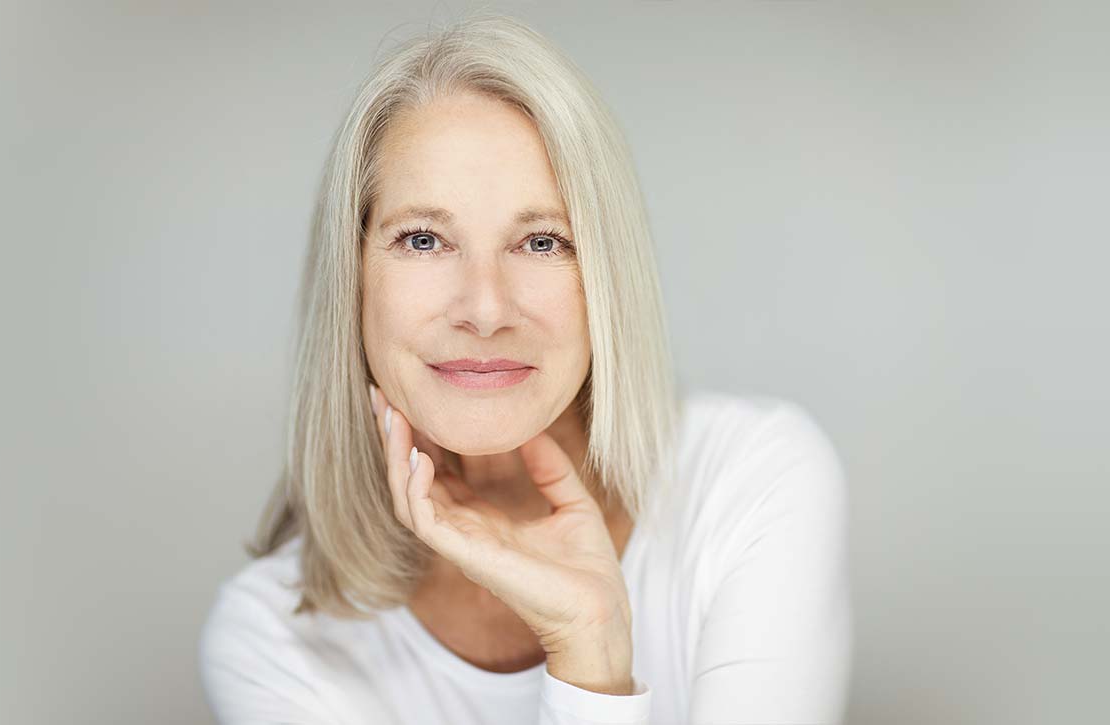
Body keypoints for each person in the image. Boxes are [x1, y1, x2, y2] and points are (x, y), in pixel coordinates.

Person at [199, 12, 851, 724]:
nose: (485, 308)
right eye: (423, 238)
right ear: (352, 278)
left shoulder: (749, 480)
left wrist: (590, 648)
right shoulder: (274, 639)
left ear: (606, 272)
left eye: (541, 241)